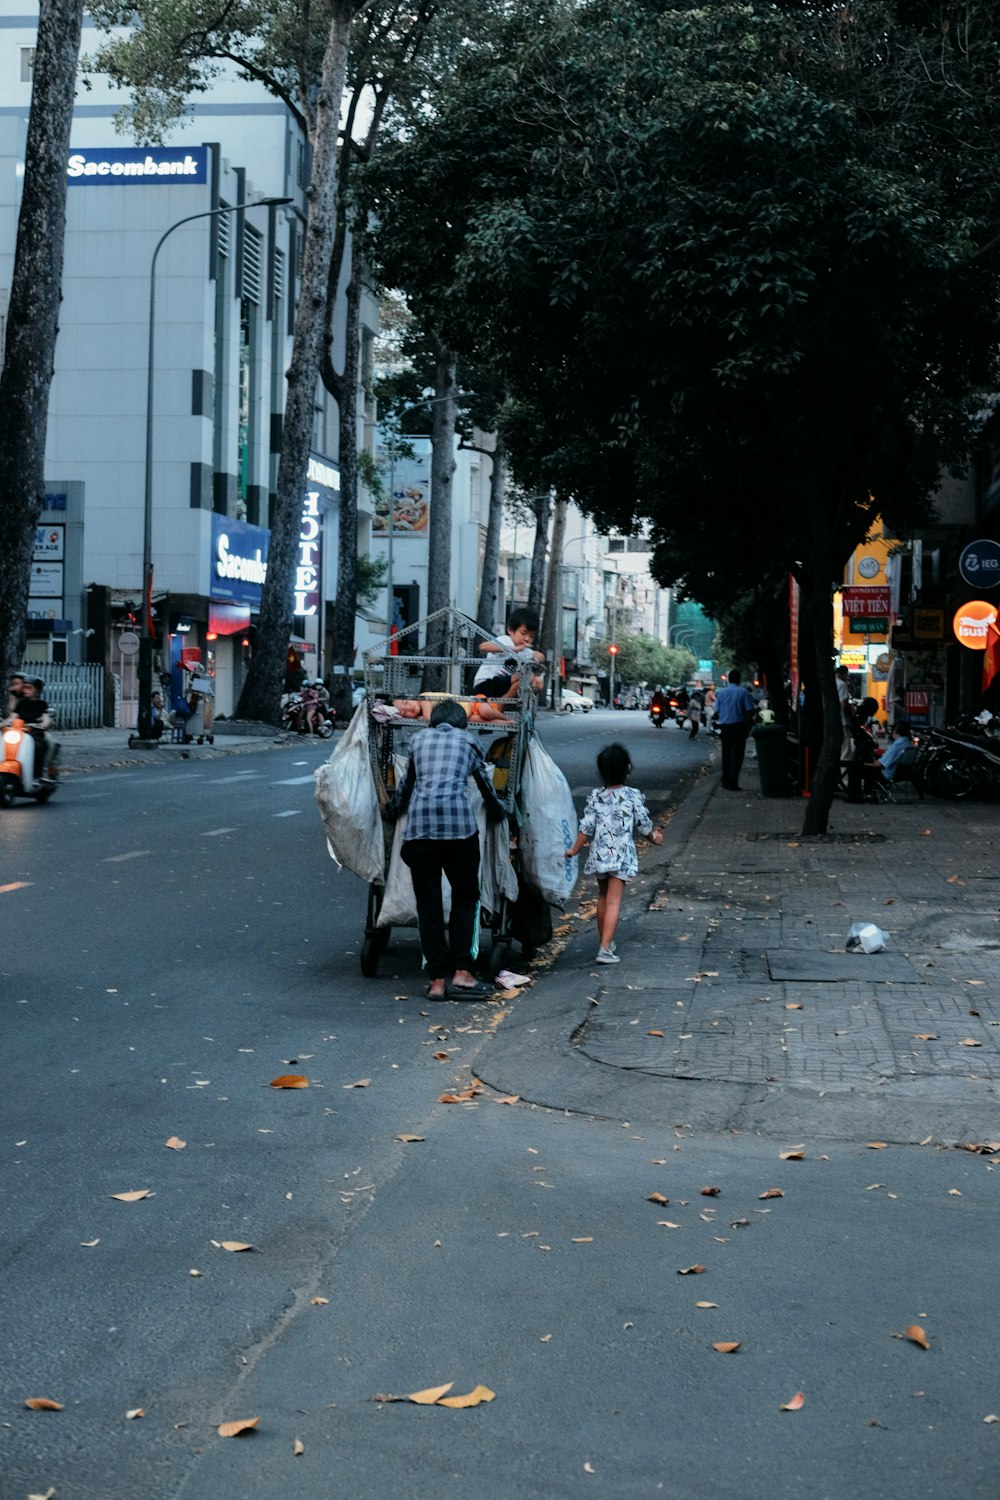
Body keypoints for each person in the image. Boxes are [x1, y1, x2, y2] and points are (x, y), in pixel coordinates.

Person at [387, 700, 507, 1000]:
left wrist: (390, 811)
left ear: (433, 721)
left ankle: (438, 981)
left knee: (428, 906)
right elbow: (484, 785)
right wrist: (499, 810)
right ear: (462, 723)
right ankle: (463, 973)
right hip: (459, 832)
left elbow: (406, 786)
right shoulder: (469, 741)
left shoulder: (418, 740)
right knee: (466, 898)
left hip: (420, 833)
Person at [564, 742, 663, 964]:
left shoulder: (596, 796)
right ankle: (605, 949)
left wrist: (574, 849)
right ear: (628, 768)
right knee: (614, 902)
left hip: (599, 855)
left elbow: (586, 827)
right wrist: (655, 838)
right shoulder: (633, 796)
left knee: (602, 898)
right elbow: (644, 825)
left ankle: (605, 942)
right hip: (620, 856)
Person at [474, 607, 546, 698]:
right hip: (485, 683)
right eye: (523, 633)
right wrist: (514, 649)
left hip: (502, 685)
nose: (527, 639)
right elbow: (483, 646)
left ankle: (506, 706)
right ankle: (500, 705)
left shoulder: (525, 650)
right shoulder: (506, 640)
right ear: (511, 631)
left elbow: (541, 656)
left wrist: (535, 656)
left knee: (538, 682)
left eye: (532, 636)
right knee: (528, 676)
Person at [715, 668, 756, 790]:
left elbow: (716, 709)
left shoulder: (721, 693)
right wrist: (748, 727)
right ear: (739, 679)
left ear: (728, 679)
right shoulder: (743, 692)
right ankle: (733, 782)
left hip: (725, 727)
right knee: (737, 755)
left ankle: (725, 780)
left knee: (726, 754)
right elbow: (749, 711)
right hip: (739, 727)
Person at [10, 675, 53, 774]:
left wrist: (42, 725)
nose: (25, 690)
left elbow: (46, 718)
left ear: (36, 691)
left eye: (29, 688)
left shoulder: (42, 704)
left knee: (37, 747)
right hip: (19, 733)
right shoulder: (21, 704)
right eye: (24, 687)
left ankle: (37, 774)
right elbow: (12, 717)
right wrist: (4, 723)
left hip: (34, 733)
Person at [862, 719, 916, 796]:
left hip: (887, 774)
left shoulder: (897, 745)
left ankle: (862, 794)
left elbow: (880, 764)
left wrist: (867, 764)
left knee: (857, 769)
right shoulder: (909, 745)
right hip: (902, 773)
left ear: (895, 731)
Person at [835, 664, 854, 761]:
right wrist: (852, 713)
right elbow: (844, 704)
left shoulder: (832, 683)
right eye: (847, 675)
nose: (847, 677)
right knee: (846, 747)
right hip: (842, 720)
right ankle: (845, 771)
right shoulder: (842, 685)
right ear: (843, 674)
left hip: (834, 720)